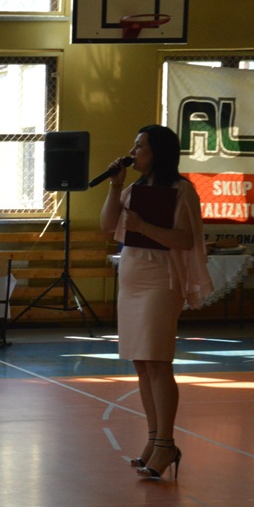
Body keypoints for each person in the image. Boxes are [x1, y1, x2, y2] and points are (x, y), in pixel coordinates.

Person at [99, 124, 213, 480]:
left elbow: (185, 239)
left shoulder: (182, 190)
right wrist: (115, 186)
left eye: (140, 147)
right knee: (142, 363)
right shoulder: (134, 188)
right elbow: (107, 225)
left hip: (161, 281)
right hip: (132, 278)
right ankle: (153, 438)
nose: (133, 153)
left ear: (158, 153)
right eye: (134, 146)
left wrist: (144, 226)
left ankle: (166, 442)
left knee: (159, 361)